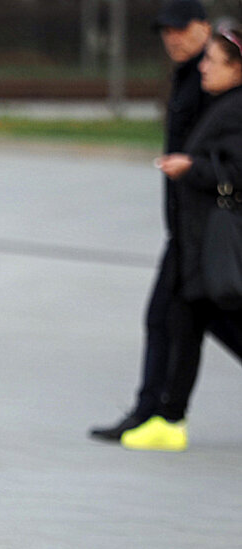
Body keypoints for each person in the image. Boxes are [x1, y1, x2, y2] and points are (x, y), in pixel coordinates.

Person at [90, 0, 242, 441]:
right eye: (165, 30)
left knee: (179, 317)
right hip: (189, 230)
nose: (171, 38)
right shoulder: (196, 76)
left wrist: (191, 169)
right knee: (185, 319)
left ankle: (157, 415)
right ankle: (161, 416)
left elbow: (227, 165)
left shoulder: (218, 86)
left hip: (207, 232)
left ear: (203, 27)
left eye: (180, 29)